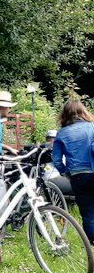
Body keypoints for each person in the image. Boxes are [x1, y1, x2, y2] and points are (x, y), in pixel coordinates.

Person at [52, 101, 94, 242]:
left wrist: (65, 172)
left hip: (78, 176)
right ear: (83, 112)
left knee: (87, 213)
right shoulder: (92, 127)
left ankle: (92, 243)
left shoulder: (61, 133)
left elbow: (57, 160)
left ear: (64, 115)